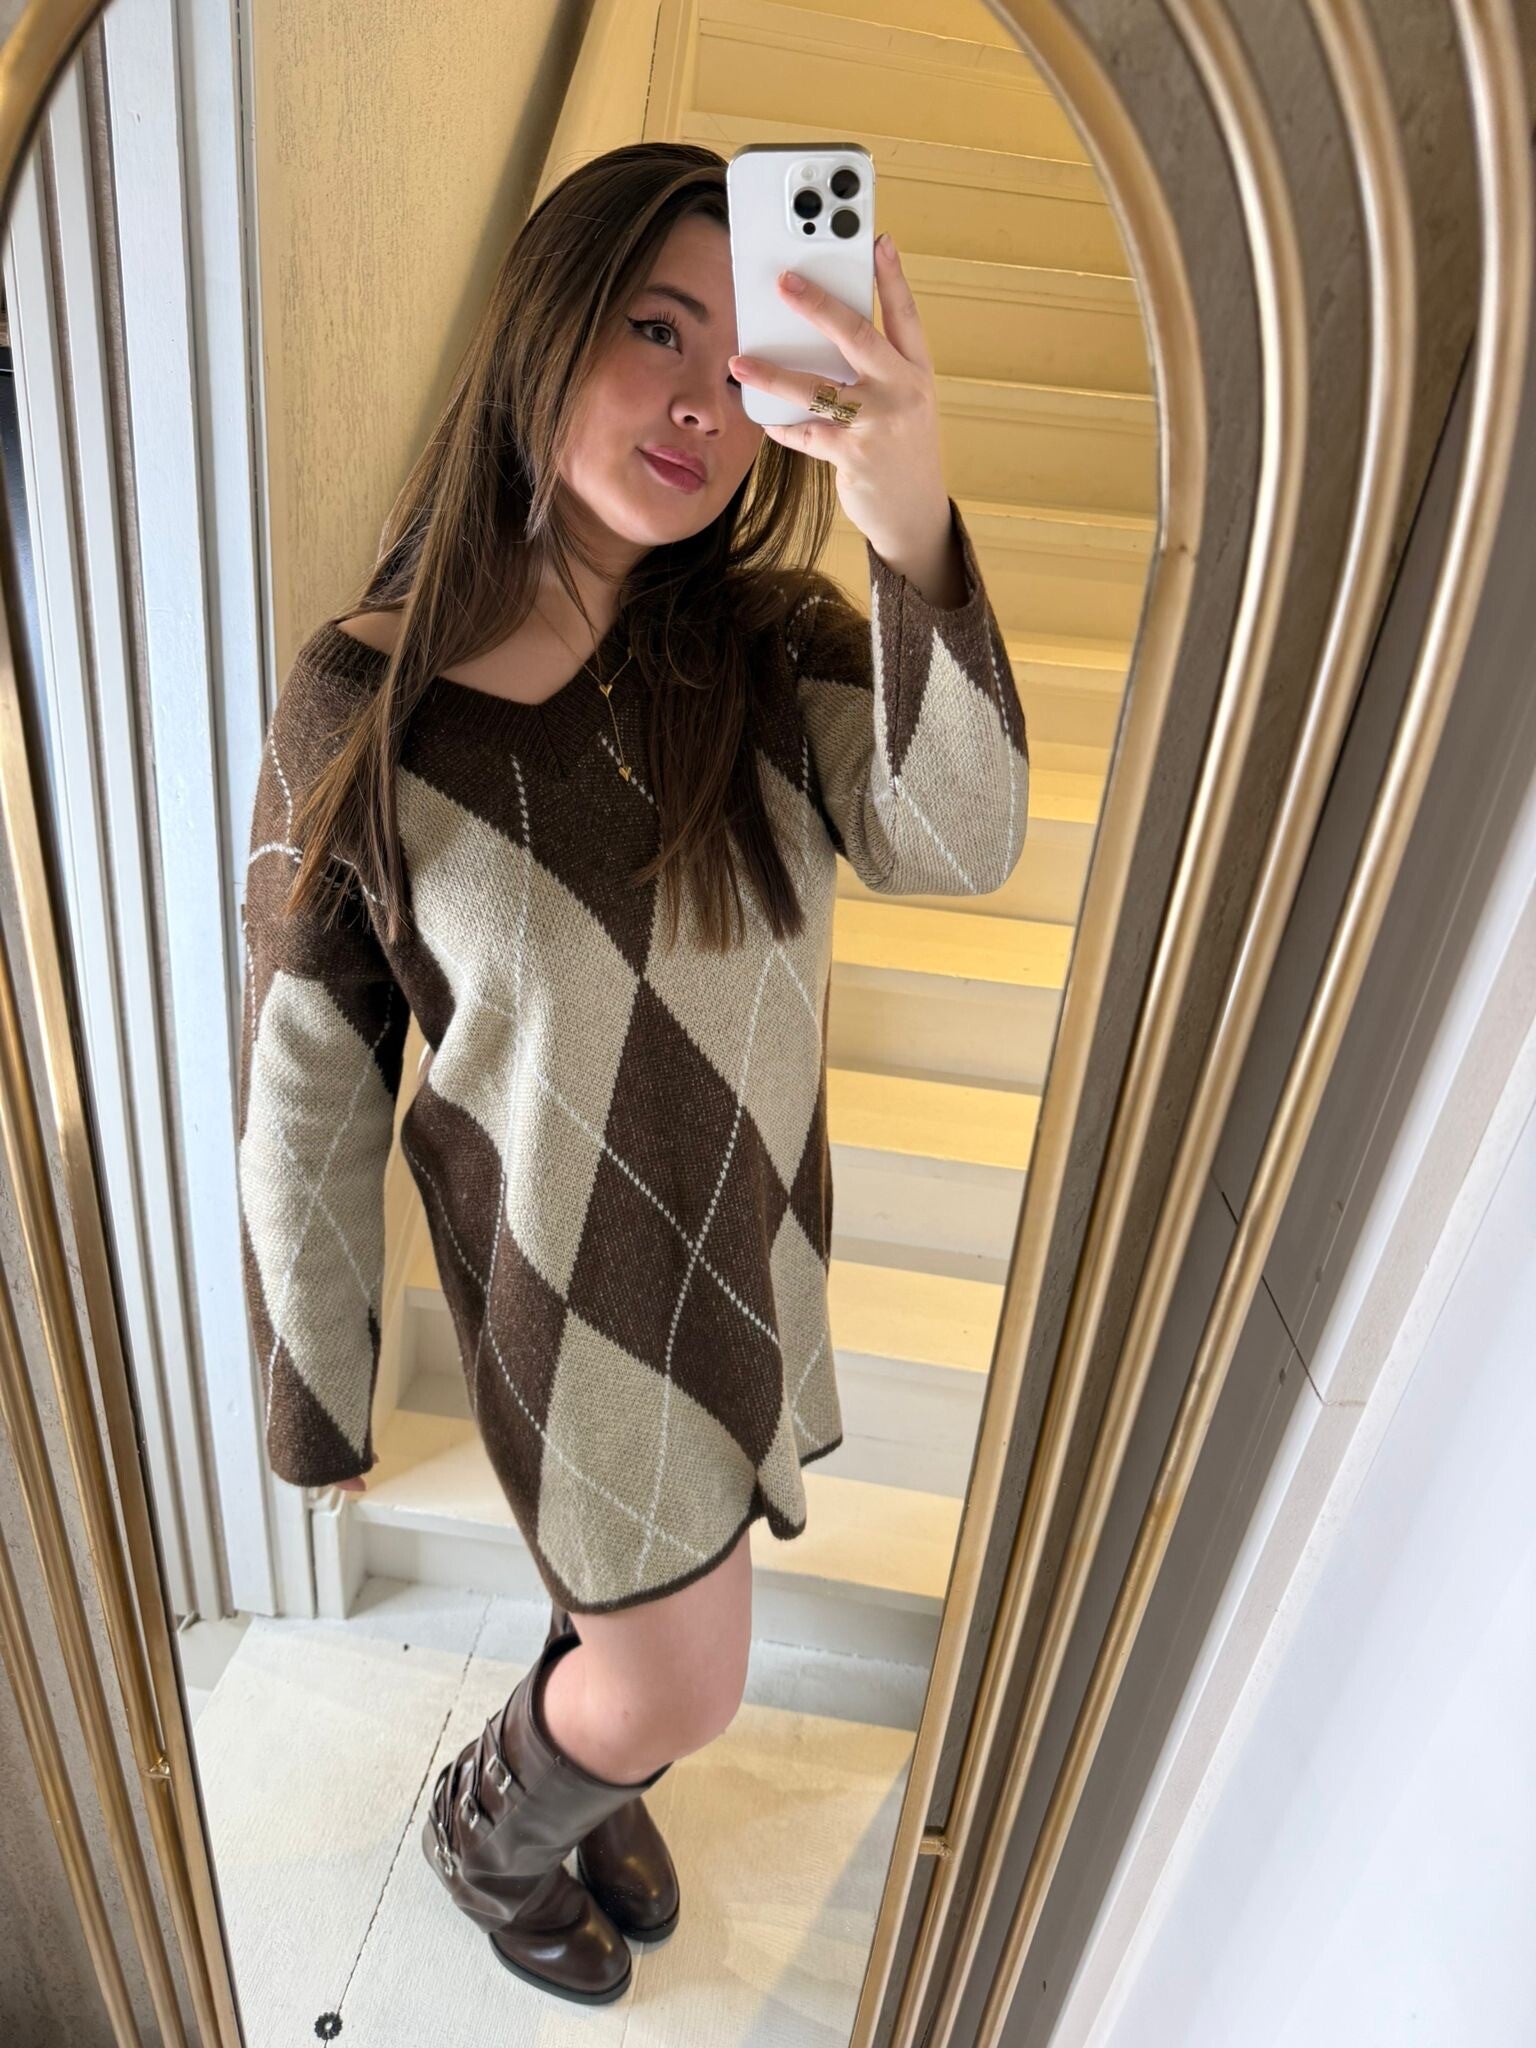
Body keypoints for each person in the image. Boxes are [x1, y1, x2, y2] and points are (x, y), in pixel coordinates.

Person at [236, 141, 1029, 2007]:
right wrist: (314, 1393)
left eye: (742, 361)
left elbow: (962, 834)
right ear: (546, 323)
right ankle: (493, 1827)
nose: (700, 403)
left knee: (640, 1629)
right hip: (564, 1301)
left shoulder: (767, 648)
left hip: (748, 1251)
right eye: (655, 329)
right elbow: (307, 1081)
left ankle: (577, 1755)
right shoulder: (365, 703)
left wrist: (907, 507)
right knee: (682, 1680)